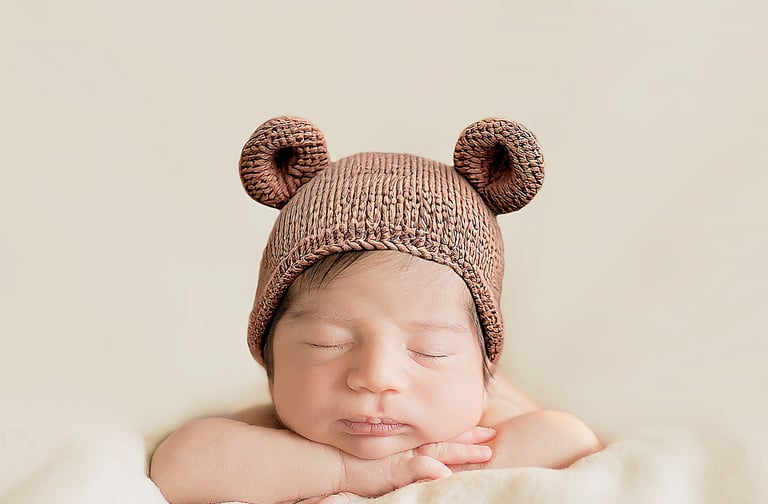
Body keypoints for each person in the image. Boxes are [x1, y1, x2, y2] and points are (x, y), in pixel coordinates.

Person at [149, 116, 602, 504]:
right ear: (268, 356)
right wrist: (350, 472)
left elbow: (569, 441)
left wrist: (429, 466)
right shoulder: (276, 432)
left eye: (431, 351)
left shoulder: (486, 429)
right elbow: (181, 462)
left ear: (482, 369)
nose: (376, 376)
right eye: (327, 343)